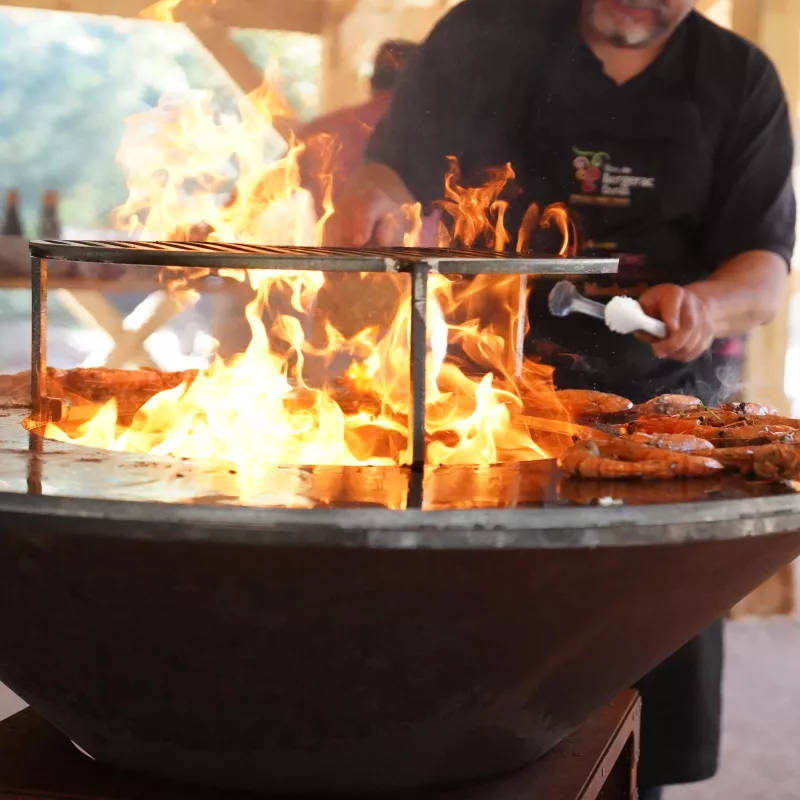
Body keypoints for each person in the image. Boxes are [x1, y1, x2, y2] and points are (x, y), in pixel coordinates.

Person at [327, 1, 797, 798]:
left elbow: (765, 269)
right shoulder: (487, 27)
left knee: (636, 697)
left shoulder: (737, 78)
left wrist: (705, 308)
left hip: (656, 425)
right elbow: (391, 166)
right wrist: (370, 197)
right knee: (452, 699)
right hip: (478, 409)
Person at [297, 39, 417, 217]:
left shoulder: (318, 131)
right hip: (416, 235)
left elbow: (266, 191)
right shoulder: (435, 135)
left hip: (332, 234)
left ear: (371, 81)